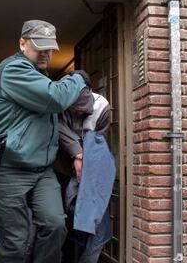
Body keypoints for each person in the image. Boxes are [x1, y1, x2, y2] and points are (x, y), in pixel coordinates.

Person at [0, 19, 89, 263]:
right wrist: (79, 77)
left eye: (50, 48)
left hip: (42, 171)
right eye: (39, 46)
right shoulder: (13, 70)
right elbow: (55, 98)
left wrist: (76, 152)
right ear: (22, 43)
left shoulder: (39, 76)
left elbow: (57, 121)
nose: (46, 53)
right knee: (15, 241)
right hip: (8, 169)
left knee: (55, 225)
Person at [54, 79, 113, 263]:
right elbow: (58, 131)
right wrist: (76, 155)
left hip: (93, 170)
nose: (79, 113)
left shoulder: (102, 107)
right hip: (63, 171)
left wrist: (83, 158)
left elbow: (98, 140)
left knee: (95, 228)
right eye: (75, 110)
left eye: (82, 110)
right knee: (70, 223)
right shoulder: (59, 106)